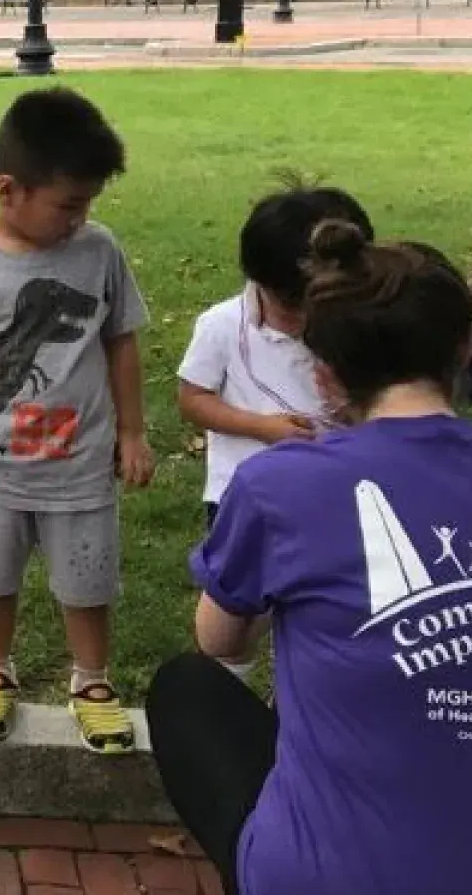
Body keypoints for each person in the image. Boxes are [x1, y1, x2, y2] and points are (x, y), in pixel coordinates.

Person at [148, 220, 472, 895]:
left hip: (328, 877)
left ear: (323, 376)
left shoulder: (281, 485)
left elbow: (217, 639)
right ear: (466, 346)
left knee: (186, 687)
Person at [0, 87, 154, 754]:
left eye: (89, 203)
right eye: (69, 204)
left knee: (87, 575)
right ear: (8, 189)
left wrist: (132, 432)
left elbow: (122, 342)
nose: (81, 218)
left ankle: (93, 681)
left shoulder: (100, 252)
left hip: (82, 464)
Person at [177, 185, 374, 677]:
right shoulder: (222, 326)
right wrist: (262, 428)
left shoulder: (355, 330)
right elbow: (193, 399)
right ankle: (229, 692)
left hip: (338, 494)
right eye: (294, 305)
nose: (306, 318)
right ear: (260, 283)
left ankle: (298, 692)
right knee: (237, 613)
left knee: (319, 605)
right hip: (244, 498)